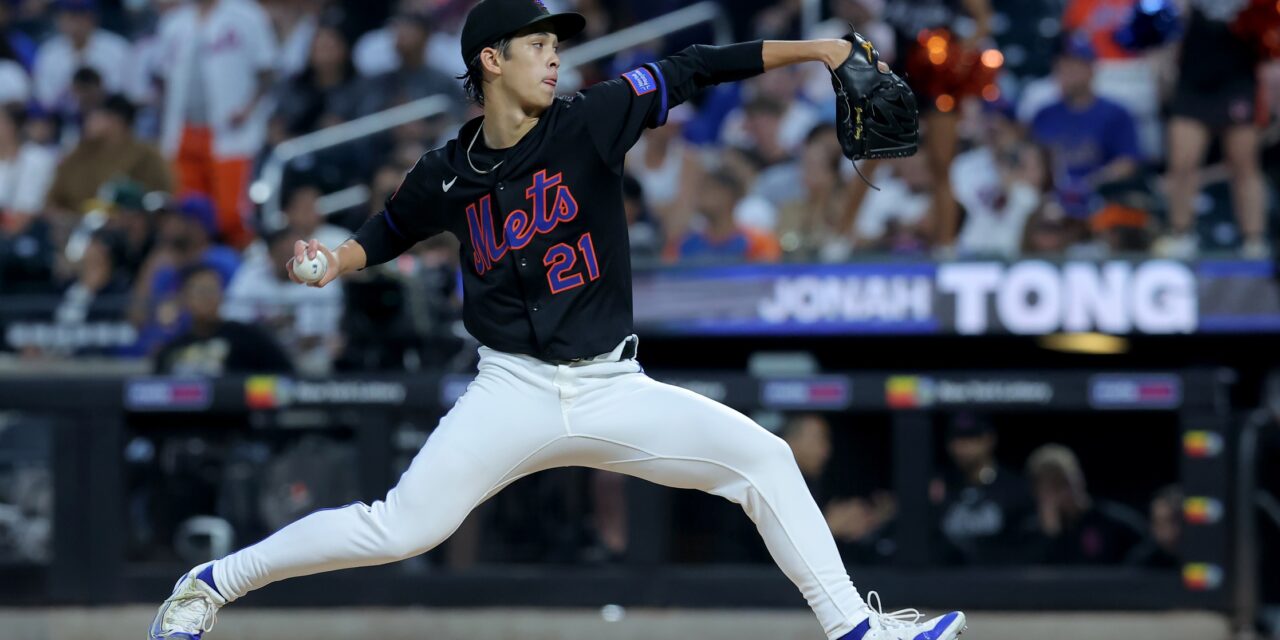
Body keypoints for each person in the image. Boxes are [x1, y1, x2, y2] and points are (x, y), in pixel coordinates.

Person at [148, 2, 966, 639]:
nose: (555, 57)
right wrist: (332, 263)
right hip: (511, 390)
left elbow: (695, 66)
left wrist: (819, 50)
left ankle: (855, 626)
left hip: (613, 385)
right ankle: (212, 585)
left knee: (764, 459)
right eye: (538, 45)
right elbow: (389, 230)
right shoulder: (444, 172)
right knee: (400, 527)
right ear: (490, 61)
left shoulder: (591, 117)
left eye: (556, 45)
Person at [156, 0, 279, 249]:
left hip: (230, 132)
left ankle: (243, 270)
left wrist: (249, 108)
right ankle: (199, 272)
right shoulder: (173, 22)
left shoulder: (247, 15)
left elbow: (267, 69)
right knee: (189, 214)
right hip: (183, 132)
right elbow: (163, 77)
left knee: (231, 215)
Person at [1159, 0, 1268, 259]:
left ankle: (1253, 240)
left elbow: (1268, 27)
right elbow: (1164, 21)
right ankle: (1181, 234)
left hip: (1237, 78)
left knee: (1244, 164)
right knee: (1182, 164)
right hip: (1193, 79)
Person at [1029, 37, 1140, 221]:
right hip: (1049, 201)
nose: (1067, 71)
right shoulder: (1044, 114)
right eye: (1062, 65)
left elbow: (1128, 163)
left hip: (1101, 199)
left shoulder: (1115, 113)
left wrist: (1089, 183)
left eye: (1075, 65)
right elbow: (1031, 160)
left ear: (1091, 68)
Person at [153, 265, 294, 376]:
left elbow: (285, 375)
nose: (209, 298)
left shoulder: (249, 337)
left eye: (213, 290)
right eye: (202, 292)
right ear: (184, 298)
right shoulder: (172, 349)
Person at [931, 414, 1034, 565]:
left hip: (997, 578)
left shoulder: (1014, 487)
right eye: (956, 438)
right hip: (947, 578)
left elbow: (1024, 545)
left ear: (989, 439)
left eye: (971, 438)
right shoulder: (938, 486)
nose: (962, 446)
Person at [46, 95, 171, 215]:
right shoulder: (80, 152)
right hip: (69, 225)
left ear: (116, 122)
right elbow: (54, 197)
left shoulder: (146, 156)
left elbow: (162, 198)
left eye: (96, 117)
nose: (89, 122)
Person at [1024, 443, 1144, 565]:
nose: (1065, 493)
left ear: (1080, 479)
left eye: (1066, 483)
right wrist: (1050, 535)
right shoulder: (1028, 534)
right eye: (1053, 488)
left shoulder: (1116, 524)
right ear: (1037, 492)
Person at [32, 0, 130, 111]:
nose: (75, 23)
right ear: (59, 19)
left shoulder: (117, 48)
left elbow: (124, 92)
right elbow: (44, 98)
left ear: (93, 17)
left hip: (107, 113)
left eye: (81, 16)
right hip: (63, 119)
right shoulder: (48, 52)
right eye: (70, 16)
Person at [668, 170, 782, 264]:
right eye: (700, 190)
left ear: (730, 195)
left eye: (709, 189)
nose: (701, 196)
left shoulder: (760, 242)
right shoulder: (684, 245)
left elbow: (768, 280)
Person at [1125, 485, 1181, 569]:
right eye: (1158, 523)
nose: (1166, 533)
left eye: (1173, 522)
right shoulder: (1142, 561)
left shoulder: (1204, 555)